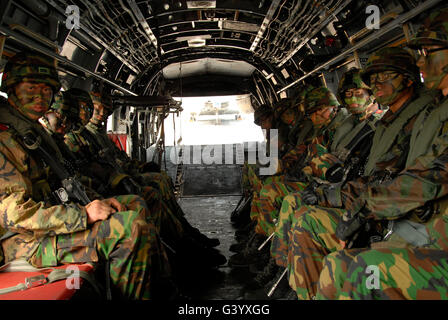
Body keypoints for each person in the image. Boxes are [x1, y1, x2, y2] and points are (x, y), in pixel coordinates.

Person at [0, 51, 176, 299]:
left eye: (46, 89)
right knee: (130, 228)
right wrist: (83, 214)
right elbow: (14, 214)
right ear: (12, 88)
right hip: (21, 242)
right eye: (31, 87)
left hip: (51, 225)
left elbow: (65, 183)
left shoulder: (33, 133)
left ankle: (166, 292)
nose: (39, 95)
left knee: (135, 203)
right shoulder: (5, 137)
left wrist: (97, 203)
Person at [317, 7, 448, 300]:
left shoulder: (424, 114)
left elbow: (432, 175)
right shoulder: (433, 113)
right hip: (422, 225)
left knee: (347, 269)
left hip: (428, 229)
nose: (422, 60)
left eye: (429, 50)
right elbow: (411, 170)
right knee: (341, 265)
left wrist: (364, 207)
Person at [285, 46, 436, 299]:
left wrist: (340, 200)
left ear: (408, 78)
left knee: (332, 251)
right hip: (378, 211)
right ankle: (300, 286)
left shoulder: (417, 119)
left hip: (400, 222)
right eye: (372, 80)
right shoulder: (388, 124)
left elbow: (399, 182)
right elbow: (376, 178)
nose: (377, 85)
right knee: (305, 218)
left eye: (384, 77)